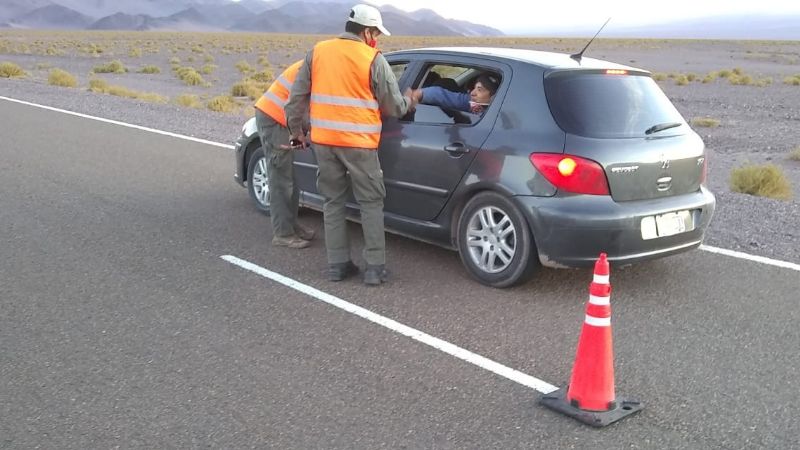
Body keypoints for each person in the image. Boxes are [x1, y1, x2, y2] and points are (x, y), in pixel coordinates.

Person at [284, 4, 417, 286]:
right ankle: (375, 268)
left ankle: (338, 265)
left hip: (324, 143)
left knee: (333, 202)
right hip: (359, 144)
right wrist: (411, 101)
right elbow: (393, 106)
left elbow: (295, 100)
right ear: (367, 31)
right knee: (370, 203)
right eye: (376, 34)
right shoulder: (372, 59)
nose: (376, 39)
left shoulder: (318, 52)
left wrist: (297, 132)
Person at [253, 60, 316, 249]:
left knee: (289, 176)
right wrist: (298, 135)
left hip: (284, 120)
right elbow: (295, 106)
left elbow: (307, 106)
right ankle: (283, 234)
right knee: (281, 178)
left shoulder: (316, 66)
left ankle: (291, 225)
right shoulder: (311, 70)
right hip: (275, 119)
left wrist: (301, 134)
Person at [412, 73, 500, 114]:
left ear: (493, 96)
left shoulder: (499, 114)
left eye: (479, 90)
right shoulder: (472, 103)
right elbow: (441, 95)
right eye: (474, 88)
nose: (472, 93)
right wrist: (420, 93)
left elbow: (438, 94)